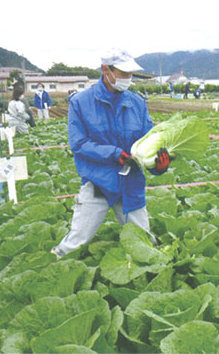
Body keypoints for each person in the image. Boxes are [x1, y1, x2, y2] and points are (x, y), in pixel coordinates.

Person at [51, 49, 172, 259]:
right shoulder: (80, 102)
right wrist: (114, 154)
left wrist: (158, 166)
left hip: (130, 184)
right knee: (77, 240)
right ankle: (53, 263)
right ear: (105, 70)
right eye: (123, 73)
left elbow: (148, 142)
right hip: (99, 182)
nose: (128, 79)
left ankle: (156, 273)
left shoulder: (137, 103)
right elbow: (79, 144)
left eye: (130, 74)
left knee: (144, 240)